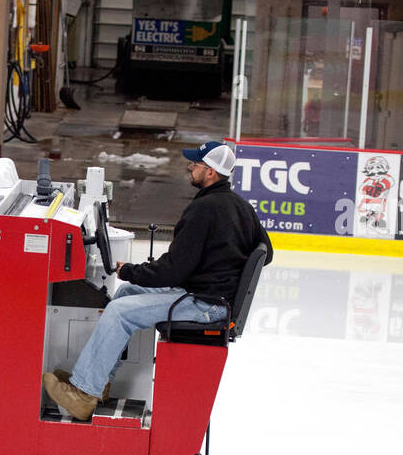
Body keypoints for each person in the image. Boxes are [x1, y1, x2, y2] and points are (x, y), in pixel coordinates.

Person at [43, 140, 273, 421]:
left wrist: (130, 269)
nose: (190, 167)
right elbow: (266, 252)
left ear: (211, 172)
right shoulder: (242, 207)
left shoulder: (204, 210)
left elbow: (173, 271)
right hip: (209, 295)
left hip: (206, 304)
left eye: (196, 164)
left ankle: (84, 394)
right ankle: (98, 380)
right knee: (126, 293)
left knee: (119, 311)